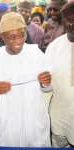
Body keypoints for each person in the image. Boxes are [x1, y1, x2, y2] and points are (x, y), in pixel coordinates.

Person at [0, 12, 52, 147]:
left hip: (33, 120)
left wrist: (46, 83)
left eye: (22, 35)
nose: (19, 41)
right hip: (9, 123)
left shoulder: (37, 54)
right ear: (2, 37)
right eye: (12, 37)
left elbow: (48, 89)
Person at [45, 2, 74, 147]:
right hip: (60, 117)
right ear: (64, 22)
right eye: (71, 20)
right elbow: (46, 86)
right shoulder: (54, 48)